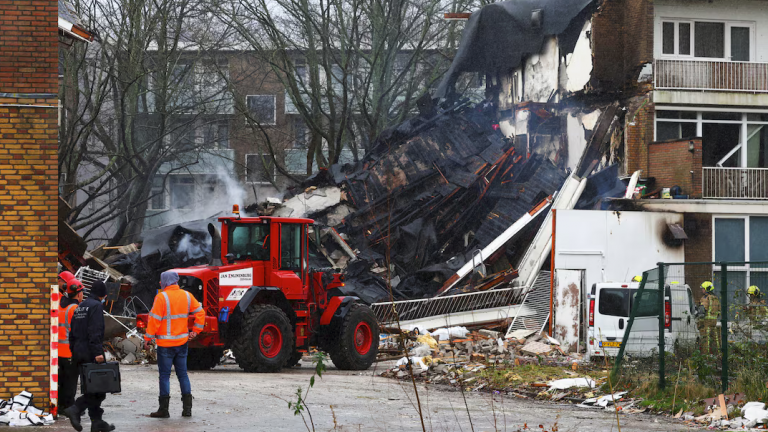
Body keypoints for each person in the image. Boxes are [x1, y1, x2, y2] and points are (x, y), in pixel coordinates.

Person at [144, 271, 205, 418]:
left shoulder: (161, 297)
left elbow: (154, 320)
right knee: (182, 375)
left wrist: (148, 338)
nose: (160, 283)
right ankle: (187, 409)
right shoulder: (187, 296)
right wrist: (195, 331)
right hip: (182, 343)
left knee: (164, 376)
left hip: (165, 345)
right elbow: (200, 313)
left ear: (165, 282)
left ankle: (164, 410)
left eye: (161, 281)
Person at [64, 281, 115, 432]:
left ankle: (97, 422)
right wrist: (98, 353)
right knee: (100, 388)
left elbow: (72, 332)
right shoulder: (96, 306)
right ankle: (76, 408)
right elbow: (95, 331)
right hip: (90, 352)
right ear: (102, 295)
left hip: (78, 352)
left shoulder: (81, 306)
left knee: (91, 387)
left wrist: (73, 351)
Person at [58, 276, 84, 415]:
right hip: (70, 351)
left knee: (62, 380)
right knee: (71, 382)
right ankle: (68, 407)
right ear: (79, 293)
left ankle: (62, 405)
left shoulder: (61, 306)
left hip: (59, 351)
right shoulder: (75, 309)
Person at [699, 281, 720, 355]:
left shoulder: (705, 298)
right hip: (714, 321)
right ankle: (718, 353)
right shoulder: (715, 298)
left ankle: (705, 355)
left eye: (703, 289)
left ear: (707, 289)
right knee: (715, 339)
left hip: (706, 321)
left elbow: (702, 310)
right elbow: (719, 311)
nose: (702, 290)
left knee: (706, 338)